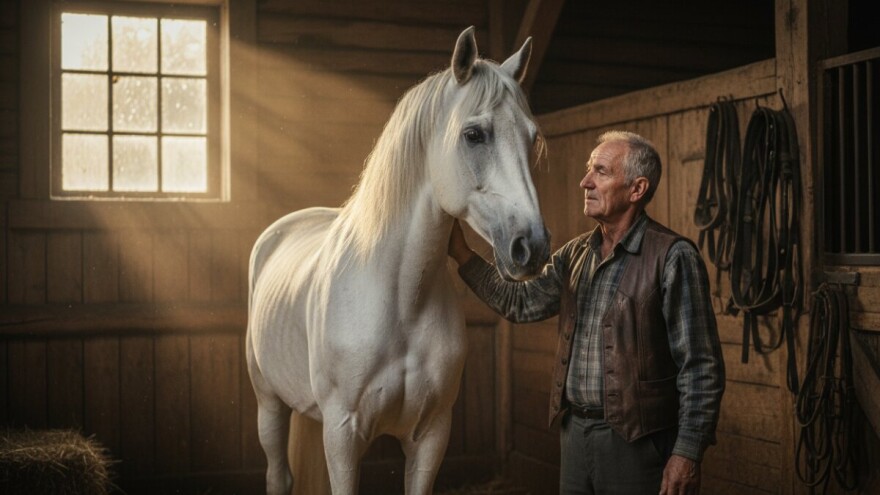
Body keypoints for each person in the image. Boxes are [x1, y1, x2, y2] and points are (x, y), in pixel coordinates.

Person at [448, 131, 725, 495]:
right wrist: (462, 254)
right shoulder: (575, 254)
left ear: (636, 189)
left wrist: (687, 453)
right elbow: (519, 302)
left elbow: (701, 366)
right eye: (587, 170)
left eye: (601, 171)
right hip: (575, 434)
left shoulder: (673, 257)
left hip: (637, 443)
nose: (585, 182)